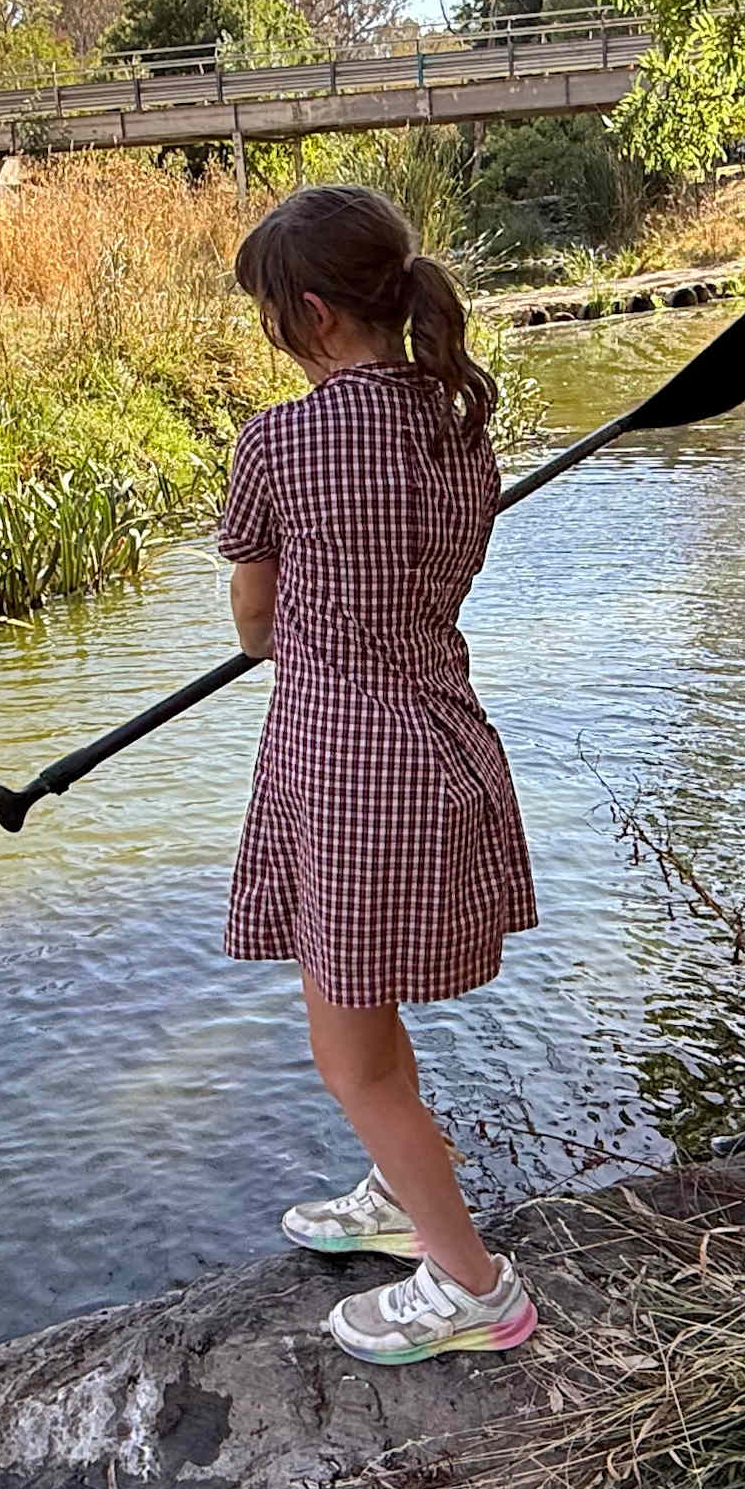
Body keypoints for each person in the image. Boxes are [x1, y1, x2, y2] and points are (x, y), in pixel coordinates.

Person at [216, 184, 541, 1365]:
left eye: (267, 315)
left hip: (347, 766)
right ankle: (403, 1201)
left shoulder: (280, 440)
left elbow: (255, 625)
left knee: (346, 1055)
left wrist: (296, 621)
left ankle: (473, 1287)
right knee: (373, 1016)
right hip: (444, 738)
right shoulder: (463, 425)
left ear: (308, 316)